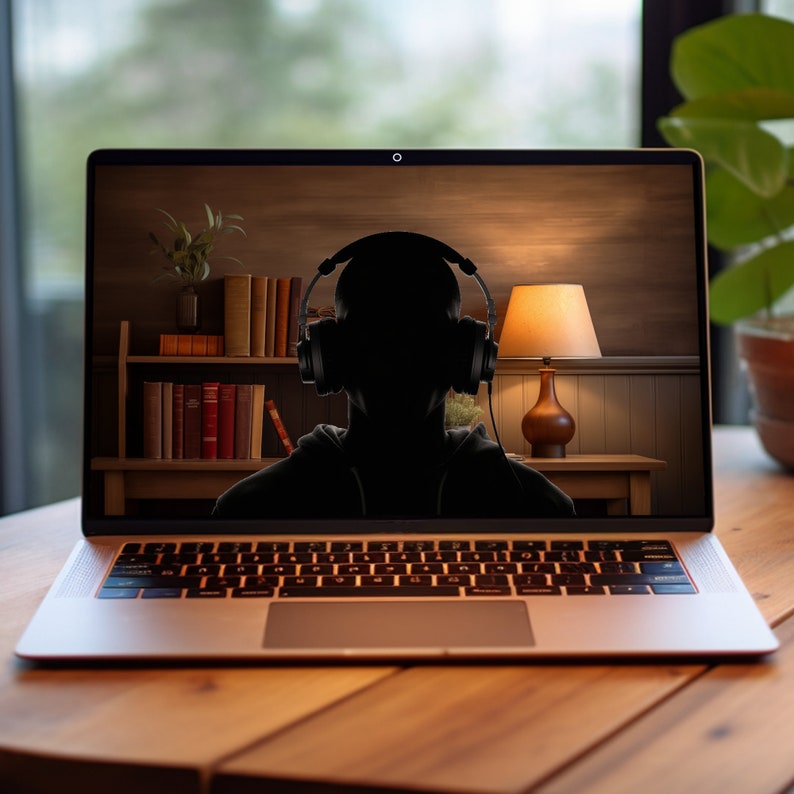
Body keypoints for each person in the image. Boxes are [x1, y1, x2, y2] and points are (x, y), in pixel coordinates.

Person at [213, 232, 574, 520]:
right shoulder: (247, 510)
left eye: (423, 334)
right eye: (375, 333)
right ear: (330, 356)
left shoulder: (538, 506)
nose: (399, 357)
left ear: (464, 356)